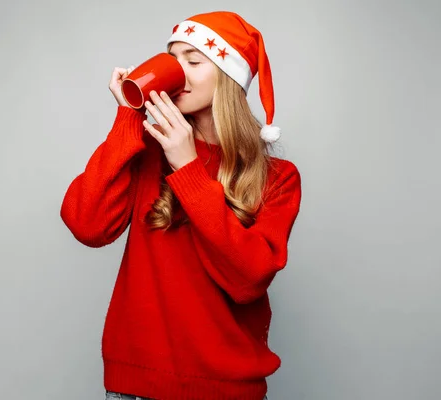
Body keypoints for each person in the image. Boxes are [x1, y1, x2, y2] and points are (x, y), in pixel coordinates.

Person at [60, 10, 302, 400]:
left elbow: (249, 281)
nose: (179, 71)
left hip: (225, 389)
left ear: (228, 76)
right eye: (173, 60)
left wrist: (188, 167)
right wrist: (128, 115)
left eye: (193, 60)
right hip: (134, 386)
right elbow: (86, 225)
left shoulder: (278, 177)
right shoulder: (144, 152)